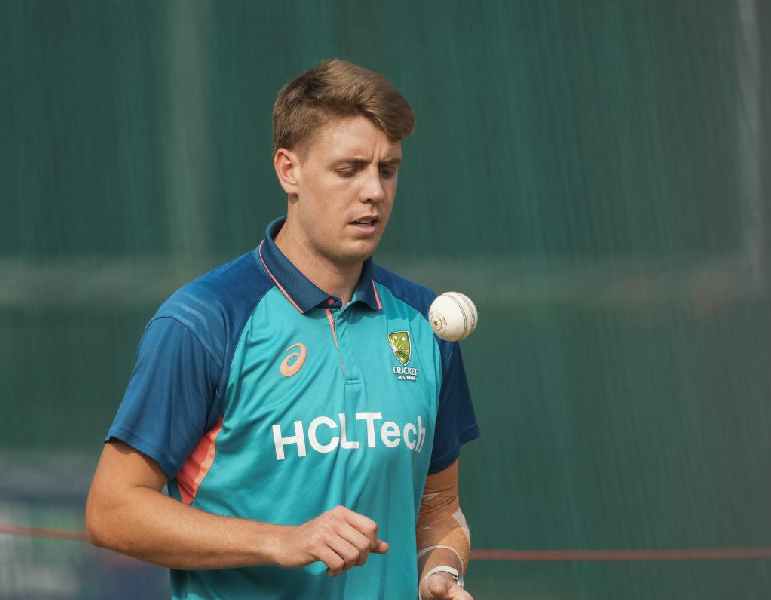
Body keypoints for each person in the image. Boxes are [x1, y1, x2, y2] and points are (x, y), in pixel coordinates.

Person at [85, 58, 479, 600]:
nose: (374, 192)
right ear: (288, 170)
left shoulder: (424, 324)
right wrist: (281, 541)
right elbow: (113, 510)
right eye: (349, 169)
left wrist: (442, 574)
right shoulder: (204, 320)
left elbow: (439, 509)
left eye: (387, 170)